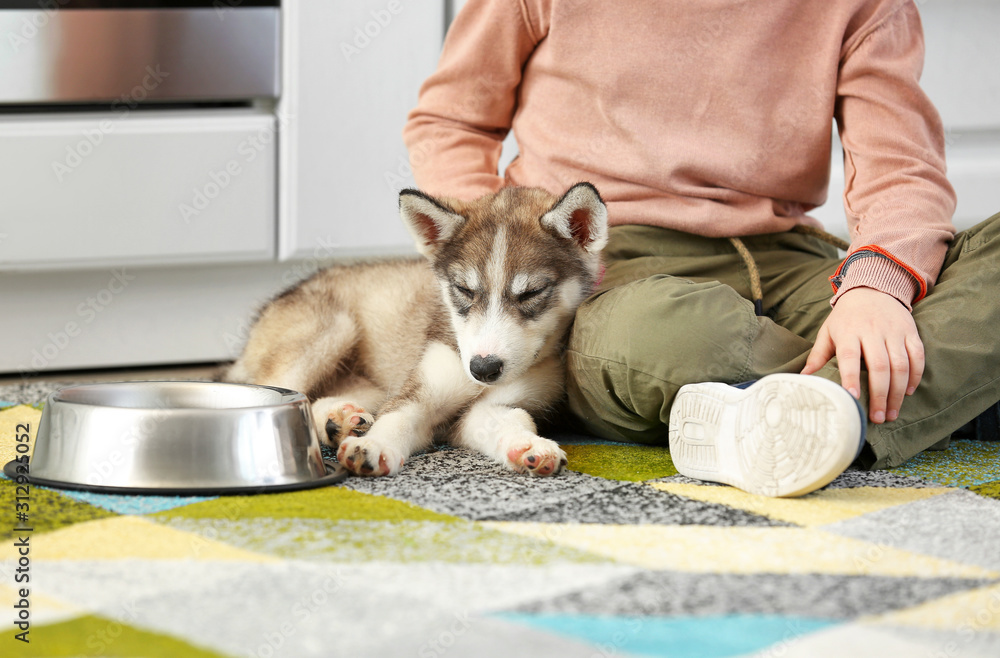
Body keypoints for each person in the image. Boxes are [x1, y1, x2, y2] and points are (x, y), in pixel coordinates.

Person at [402, 0, 1000, 496]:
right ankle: (940, 390)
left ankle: (802, 416)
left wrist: (877, 286)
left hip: (793, 259)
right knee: (666, 337)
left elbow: (902, 166)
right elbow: (452, 120)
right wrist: (489, 246)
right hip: (620, 261)